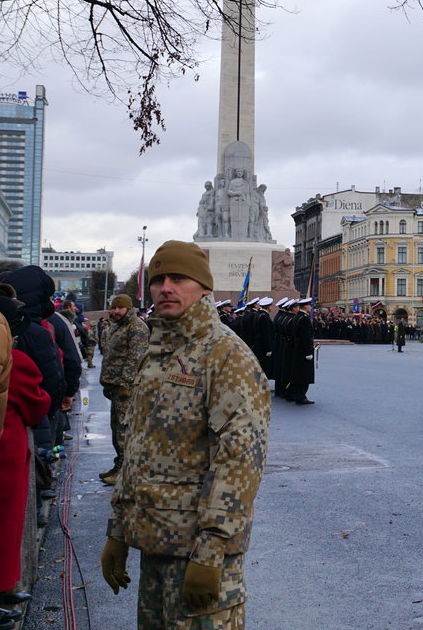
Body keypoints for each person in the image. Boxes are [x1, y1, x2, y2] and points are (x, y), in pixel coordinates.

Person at [101, 240, 269, 629]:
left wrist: (212, 549)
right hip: (154, 543)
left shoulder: (226, 354)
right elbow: (137, 449)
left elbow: (240, 459)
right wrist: (118, 530)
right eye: (158, 280)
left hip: (198, 553)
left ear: (204, 288)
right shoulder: (156, 354)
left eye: (178, 278)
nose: (165, 288)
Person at [0, 297, 50, 624]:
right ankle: (2, 586)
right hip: (10, 452)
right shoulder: (16, 360)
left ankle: (3, 587)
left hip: (7, 451)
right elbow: (37, 404)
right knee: (7, 524)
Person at [97, 294, 149, 486]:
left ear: (128, 309)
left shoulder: (136, 327)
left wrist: (126, 383)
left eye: (119, 308)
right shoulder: (116, 326)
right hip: (115, 386)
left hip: (125, 387)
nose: (115, 311)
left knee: (123, 429)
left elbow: (135, 359)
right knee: (116, 428)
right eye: (113, 307)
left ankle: (125, 470)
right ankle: (119, 463)